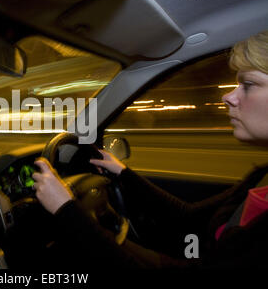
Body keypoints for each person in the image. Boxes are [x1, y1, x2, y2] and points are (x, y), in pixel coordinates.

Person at [32, 30, 268, 268]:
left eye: (248, 84)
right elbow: (188, 218)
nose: (228, 96)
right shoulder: (261, 177)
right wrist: (123, 173)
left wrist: (67, 210)